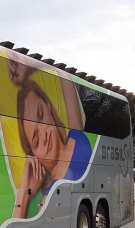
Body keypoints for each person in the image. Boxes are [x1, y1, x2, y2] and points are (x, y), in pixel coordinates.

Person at [10, 68, 91, 219]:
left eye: (40, 115)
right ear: (34, 154)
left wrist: (27, 67)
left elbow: (65, 77)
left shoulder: (76, 134)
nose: (44, 134)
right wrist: (24, 193)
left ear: (48, 106)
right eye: (36, 140)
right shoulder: (49, 194)